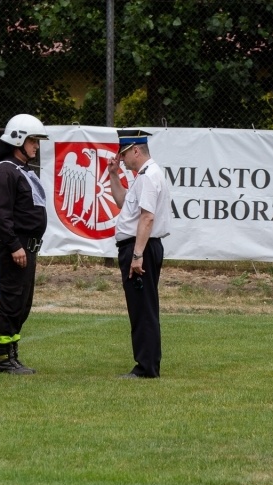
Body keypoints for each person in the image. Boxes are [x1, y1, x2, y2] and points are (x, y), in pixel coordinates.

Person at [106, 128, 172, 379]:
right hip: (140, 246)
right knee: (142, 308)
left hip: (140, 247)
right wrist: (114, 175)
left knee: (143, 310)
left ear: (136, 150)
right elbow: (123, 203)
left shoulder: (148, 176)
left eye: (123, 154)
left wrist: (137, 255)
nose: (121, 159)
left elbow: (147, 218)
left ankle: (146, 367)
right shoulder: (143, 175)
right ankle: (147, 364)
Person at [0, 114, 49, 373]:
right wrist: (14, 246)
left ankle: (12, 353)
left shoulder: (21, 170)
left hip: (27, 247)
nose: (36, 146)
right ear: (18, 140)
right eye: (33, 141)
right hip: (17, 247)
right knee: (12, 301)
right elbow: (0, 215)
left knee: (23, 303)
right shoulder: (4, 171)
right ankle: (4, 359)